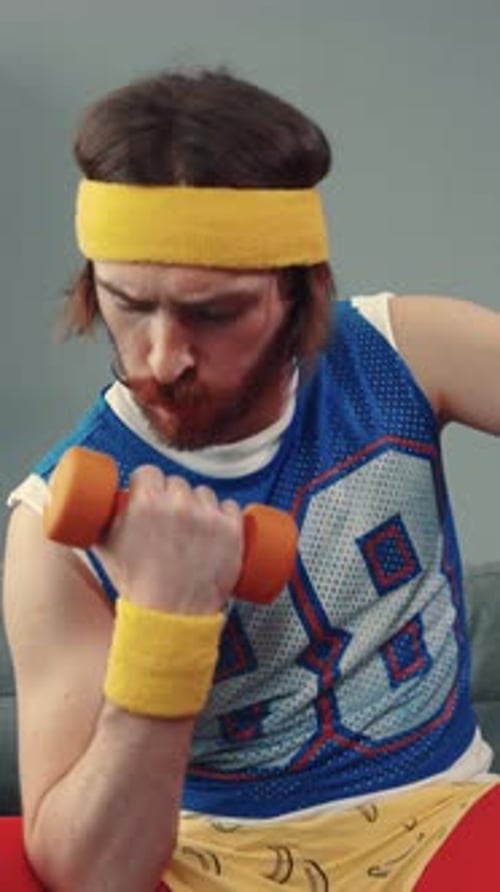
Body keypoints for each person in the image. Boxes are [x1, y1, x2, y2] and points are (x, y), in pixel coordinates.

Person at [2, 67, 500, 892]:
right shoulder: (54, 526)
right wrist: (166, 621)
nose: (162, 358)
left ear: (302, 290)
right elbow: (95, 874)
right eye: (130, 304)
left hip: (442, 819)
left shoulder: (404, 353)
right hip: (195, 855)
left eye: (213, 312)